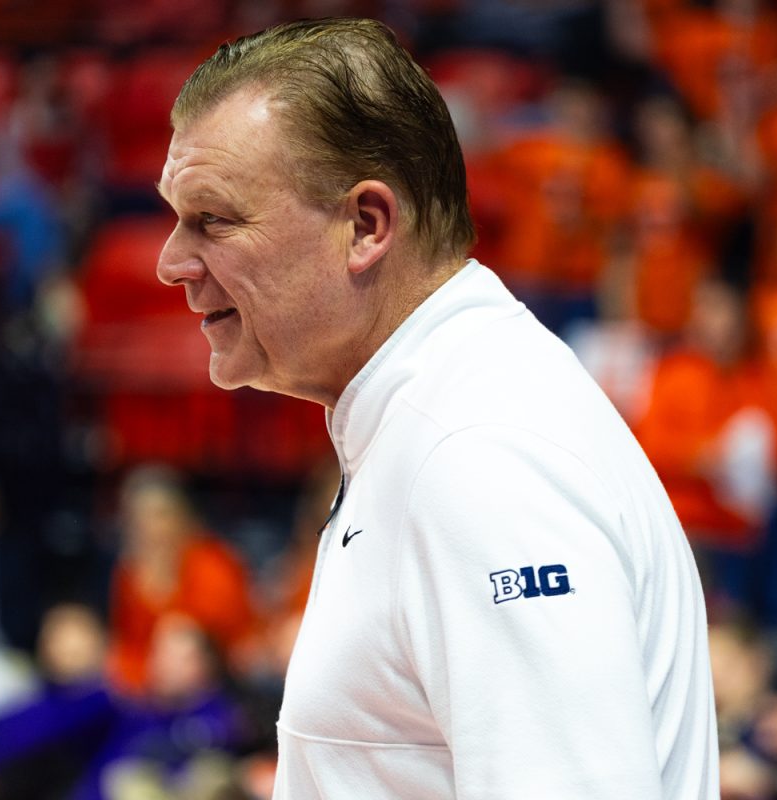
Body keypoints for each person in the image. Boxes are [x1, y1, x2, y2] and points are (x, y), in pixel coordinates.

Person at [154, 17, 718, 798]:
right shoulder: (434, 417)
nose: (170, 263)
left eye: (212, 219)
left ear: (366, 226)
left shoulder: (477, 453)